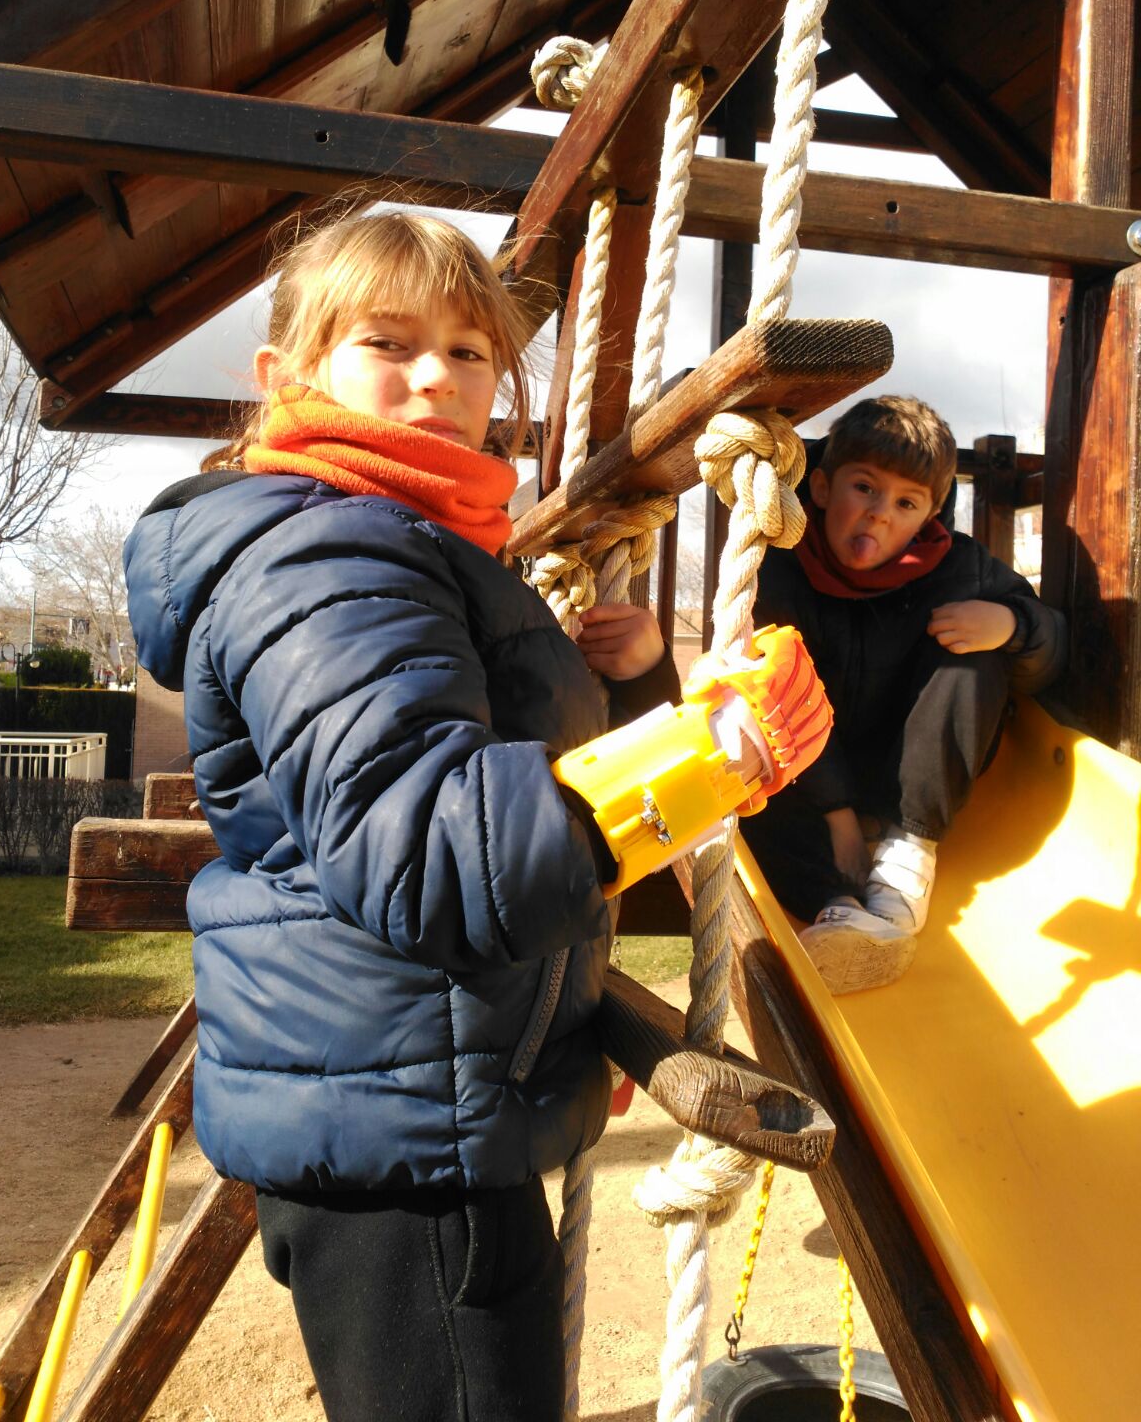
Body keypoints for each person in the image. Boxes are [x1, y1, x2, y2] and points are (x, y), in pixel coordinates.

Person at [123, 207, 828, 1422]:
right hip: (403, 1130)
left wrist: (644, 690)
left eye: (469, 351)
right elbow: (435, 848)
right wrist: (704, 756)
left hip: (415, 1094)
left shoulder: (407, 544)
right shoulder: (330, 557)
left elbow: (495, 770)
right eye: (387, 343)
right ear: (284, 375)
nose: (437, 378)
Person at [740, 394, 1067, 997]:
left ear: (930, 516)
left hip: (915, 775)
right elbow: (778, 694)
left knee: (977, 650)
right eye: (864, 488)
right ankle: (838, 910)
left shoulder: (957, 567)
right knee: (748, 776)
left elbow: (1051, 643)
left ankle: (904, 860)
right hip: (810, 769)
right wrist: (836, 812)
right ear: (821, 487)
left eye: (905, 503)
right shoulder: (782, 565)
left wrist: (1011, 626)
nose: (880, 514)